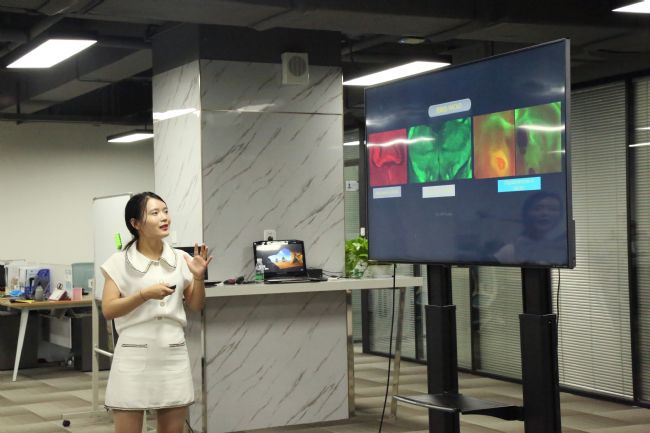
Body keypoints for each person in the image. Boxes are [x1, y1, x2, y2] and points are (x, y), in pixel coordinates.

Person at [101, 192, 212, 433]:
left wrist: (198, 277)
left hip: (172, 353)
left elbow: (196, 305)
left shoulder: (181, 258)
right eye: (155, 213)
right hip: (133, 355)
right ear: (135, 223)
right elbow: (108, 309)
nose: (164, 217)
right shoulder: (118, 262)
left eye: (165, 211)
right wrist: (144, 295)